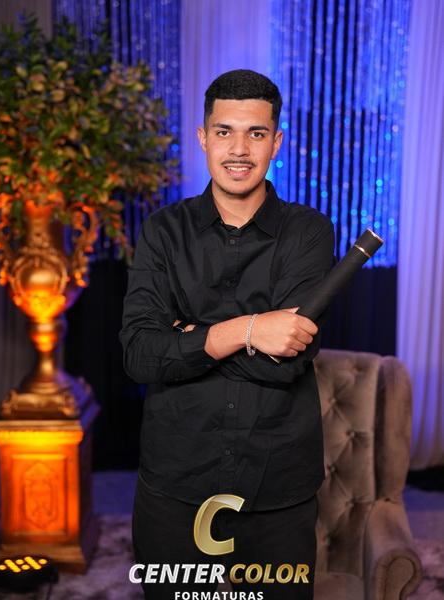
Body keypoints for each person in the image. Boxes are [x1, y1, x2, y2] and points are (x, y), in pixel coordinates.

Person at [120, 69, 335, 600]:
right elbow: (141, 355)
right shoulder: (163, 231)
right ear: (203, 137)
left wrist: (189, 336)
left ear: (276, 142)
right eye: (224, 132)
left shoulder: (308, 231)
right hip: (175, 487)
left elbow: (284, 362)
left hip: (277, 491)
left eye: (256, 133)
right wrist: (251, 328)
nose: (239, 150)